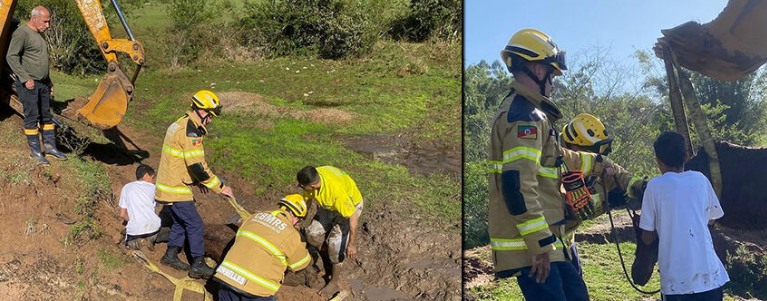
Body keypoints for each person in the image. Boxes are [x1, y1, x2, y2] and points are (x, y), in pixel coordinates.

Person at [488, 28, 616, 301]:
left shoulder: (533, 114)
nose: (554, 83)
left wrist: (599, 164)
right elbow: (518, 186)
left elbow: (557, 157)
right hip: (535, 251)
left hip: (548, 242)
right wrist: (540, 246)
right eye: (552, 74)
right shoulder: (525, 117)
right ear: (537, 69)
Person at [639, 131, 729, 300]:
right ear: (686, 156)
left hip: (677, 282)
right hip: (710, 277)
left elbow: (647, 237)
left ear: (658, 161)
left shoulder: (654, 186)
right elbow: (713, 217)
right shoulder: (701, 180)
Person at [155, 90, 234, 279]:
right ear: (200, 110)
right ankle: (198, 264)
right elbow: (198, 166)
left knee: (181, 222)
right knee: (196, 225)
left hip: (169, 183)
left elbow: (182, 161)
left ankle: (171, 255)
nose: (210, 120)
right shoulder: (191, 132)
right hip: (176, 188)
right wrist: (221, 188)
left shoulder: (180, 123)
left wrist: (197, 181)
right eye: (210, 115)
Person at [559, 113, 647, 275]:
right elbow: (571, 210)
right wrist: (608, 200)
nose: (599, 158)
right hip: (547, 247)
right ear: (576, 149)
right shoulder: (554, 166)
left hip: (567, 242)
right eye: (595, 153)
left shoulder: (587, 162)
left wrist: (643, 186)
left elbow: (619, 175)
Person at [213, 194, 311, 301]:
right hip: (255, 290)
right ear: (296, 217)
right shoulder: (292, 234)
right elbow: (300, 264)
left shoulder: (254, 217)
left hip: (226, 279)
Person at [7, 6, 66, 165]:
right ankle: (35, 152)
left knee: (46, 116)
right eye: (45, 21)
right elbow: (11, 57)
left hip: (42, 83)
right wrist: (25, 78)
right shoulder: (22, 33)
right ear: (35, 18)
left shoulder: (40, 35)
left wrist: (49, 80)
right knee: (32, 116)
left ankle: (51, 148)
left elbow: (41, 60)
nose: (48, 25)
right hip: (29, 84)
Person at [297, 165, 362, 297]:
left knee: (335, 248)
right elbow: (308, 200)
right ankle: (328, 266)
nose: (299, 186)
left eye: (302, 185)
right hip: (329, 206)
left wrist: (352, 244)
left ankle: (334, 281)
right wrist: (299, 220)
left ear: (313, 185)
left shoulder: (336, 192)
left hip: (349, 208)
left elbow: (353, 217)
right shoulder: (314, 176)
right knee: (312, 234)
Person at [119, 164, 161, 251]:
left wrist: (133, 220)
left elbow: (122, 214)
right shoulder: (154, 188)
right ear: (146, 176)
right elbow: (153, 209)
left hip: (135, 232)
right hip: (153, 230)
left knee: (128, 245)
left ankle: (138, 243)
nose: (153, 181)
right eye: (152, 178)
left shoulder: (127, 187)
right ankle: (149, 240)